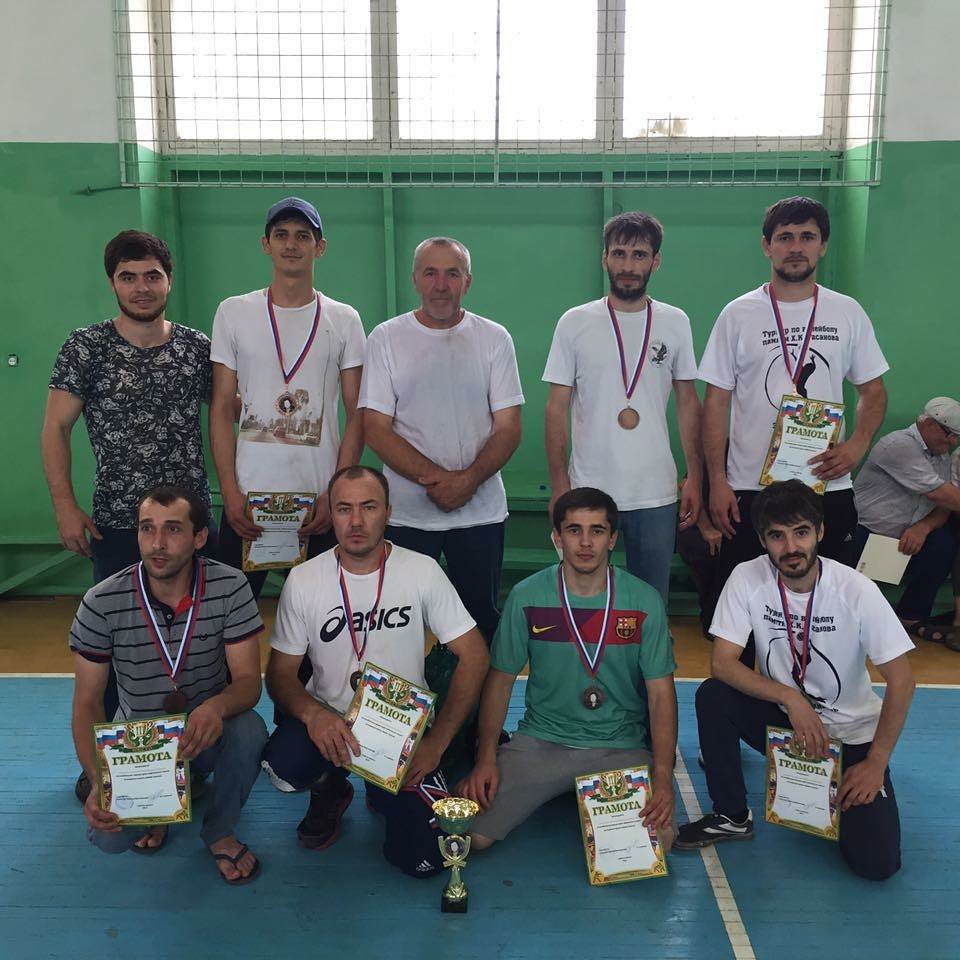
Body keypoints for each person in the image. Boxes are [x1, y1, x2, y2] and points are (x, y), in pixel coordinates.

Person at [42, 230, 215, 800]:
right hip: (119, 525)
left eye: (152, 276)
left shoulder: (197, 348)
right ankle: (113, 760)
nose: (142, 288)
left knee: (196, 646)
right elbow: (56, 428)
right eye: (128, 277)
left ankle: (194, 756)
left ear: (169, 280)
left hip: (191, 528)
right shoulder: (85, 347)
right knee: (118, 650)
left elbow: (235, 415)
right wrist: (64, 505)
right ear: (113, 282)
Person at [675, 480, 915, 881]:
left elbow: (903, 681)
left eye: (801, 532)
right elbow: (723, 664)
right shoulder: (747, 577)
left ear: (820, 532)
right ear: (762, 540)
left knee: (877, 865)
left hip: (850, 735)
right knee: (714, 696)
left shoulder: (856, 590)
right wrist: (791, 698)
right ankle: (732, 815)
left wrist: (875, 764)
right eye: (777, 536)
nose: (791, 547)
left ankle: (839, 783)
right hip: (787, 724)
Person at [260, 466, 490, 876]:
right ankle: (331, 789)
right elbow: (279, 674)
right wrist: (314, 716)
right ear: (331, 514)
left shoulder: (421, 570)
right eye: (344, 508)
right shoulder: (304, 579)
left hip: (403, 732)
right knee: (284, 766)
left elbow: (474, 655)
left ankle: (386, 792)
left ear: (388, 512)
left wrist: (436, 743)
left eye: (368, 507)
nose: (356, 521)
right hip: (331, 722)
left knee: (426, 860)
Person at [459, 487, 678, 852]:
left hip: (618, 747)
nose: (585, 542)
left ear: (612, 539)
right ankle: (562, 791)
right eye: (574, 530)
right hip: (541, 743)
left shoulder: (643, 601)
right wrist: (486, 759)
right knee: (472, 837)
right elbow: (500, 681)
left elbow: (660, 694)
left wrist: (662, 775)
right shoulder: (528, 596)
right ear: (557, 537)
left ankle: (577, 795)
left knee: (654, 845)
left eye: (597, 530)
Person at [69, 485, 267, 884]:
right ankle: (158, 803)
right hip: (138, 746)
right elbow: (87, 703)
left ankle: (220, 830)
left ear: (199, 537)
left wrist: (215, 707)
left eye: (173, 529)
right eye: (147, 528)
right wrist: (99, 779)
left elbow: (249, 682)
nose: (157, 543)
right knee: (110, 840)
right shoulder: (101, 601)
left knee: (250, 730)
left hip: (203, 734)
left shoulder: (230, 587)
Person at [699, 196, 888, 602]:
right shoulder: (738, 314)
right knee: (747, 605)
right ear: (766, 246)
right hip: (750, 485)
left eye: (807, 236)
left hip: (826, 482)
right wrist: (718, 480)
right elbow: (715, 402)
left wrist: (858, 444)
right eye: (785, 237)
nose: (796, 247)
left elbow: (873, 392)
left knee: (831, 602)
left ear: (823, 245)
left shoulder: (847, 312)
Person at [359, 236, 524, 648]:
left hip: (481, 516)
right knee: (398, 630)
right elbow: (375, 428)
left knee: (480, 625)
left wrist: (468, 482)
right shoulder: (385, 338)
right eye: (430, 273)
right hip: (407, 516)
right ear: (415, 279)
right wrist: (440, 481)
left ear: (468, 281)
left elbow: (509, 427)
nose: (440, 285)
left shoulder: (495, 338)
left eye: (452, 274)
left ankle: (475, 697)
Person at [209, 197, 365, 597]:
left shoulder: (344, 319)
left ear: (320, 246)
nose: (291, 244)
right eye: (281, 235)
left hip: (318, 500)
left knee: (324, 616)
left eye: (302, 236)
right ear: (266, 244)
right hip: (249, 499)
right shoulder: (233, 312)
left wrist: (337, 493)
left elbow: (357, 414)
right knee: (231, 612)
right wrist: (229, 492)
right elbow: (222, 407)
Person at [544, 212, 702, 605]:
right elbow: (555, 408)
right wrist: (560, 484)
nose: (628, 265)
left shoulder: (675, 321)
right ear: (605, 258)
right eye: (619, 253)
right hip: (588, 490)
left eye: (639, 254)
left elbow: (687, 403)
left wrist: (695, 476)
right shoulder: (574, 322)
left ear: (656, 261)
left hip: (655, 492)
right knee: (584, 600)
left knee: (651, 603)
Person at [853, 397, 960, 641]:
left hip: (908, 540)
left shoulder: (942, 457)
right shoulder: (898, 444)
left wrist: (924, 526)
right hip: (867, 534)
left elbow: (944, 506)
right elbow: (941, 494)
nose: (953, 442)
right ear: (929, 424)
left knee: (943, 544)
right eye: (950, 434)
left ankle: (911, 616)